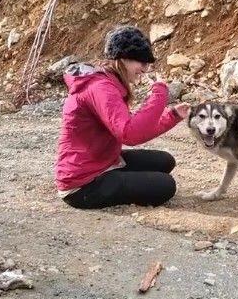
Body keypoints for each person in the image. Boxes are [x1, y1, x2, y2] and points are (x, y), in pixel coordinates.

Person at [55, 25, 189, 209]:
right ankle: (105, 186)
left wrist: (172, 116)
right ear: (123, 59)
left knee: (165, 161)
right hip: (82, 184)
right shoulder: (101, 88)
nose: (145, 68)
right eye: (141, 62)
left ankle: (117, 176)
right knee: (166, 185)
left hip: (103, 161)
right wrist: (159, 94)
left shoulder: (107, 82)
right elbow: (130, 134)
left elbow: (134, 125)